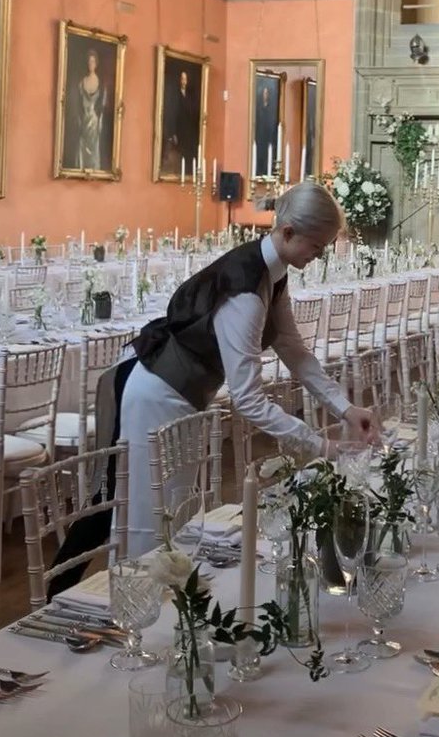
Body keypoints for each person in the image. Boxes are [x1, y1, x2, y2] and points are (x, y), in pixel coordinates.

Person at [119, 182, 377, 555]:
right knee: (152, 519)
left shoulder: (273, 272)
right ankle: (139, 590)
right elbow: (248, 400)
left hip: (185, 392)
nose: (319, 256)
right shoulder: (245, 291)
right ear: (288, 232)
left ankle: (164, 588)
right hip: (158, 395)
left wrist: (346, 408)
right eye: (316, 247)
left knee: (175, 516)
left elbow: (292, 349)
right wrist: (321, 445)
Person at [74, 48, 105, 170]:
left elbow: (102, 106)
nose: (90, 64)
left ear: (96, 64)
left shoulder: (100, 83)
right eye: (89, 61)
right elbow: (78, 104)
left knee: (93, 148)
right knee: (82, 146)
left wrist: (100, 120)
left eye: (92, 62)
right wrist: (79, 118)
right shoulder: (82, 82)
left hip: (94, 121)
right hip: (84, 120)